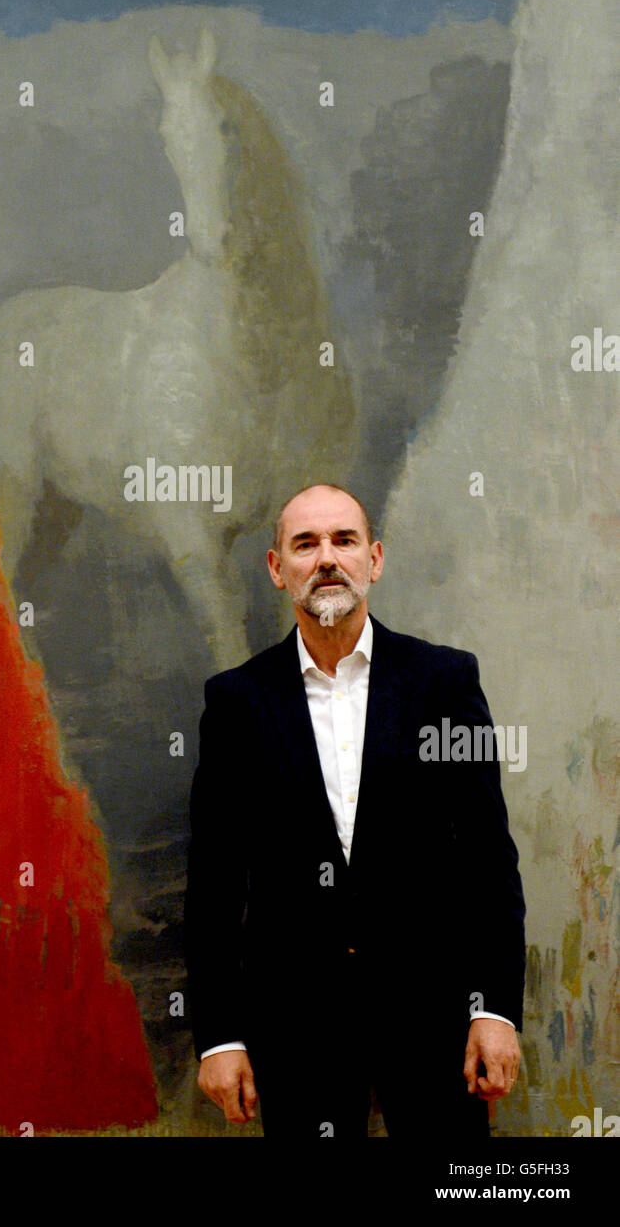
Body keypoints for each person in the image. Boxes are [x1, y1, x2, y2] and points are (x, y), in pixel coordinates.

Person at [183, 483, 526, 1138]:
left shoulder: (446, 682)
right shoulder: (236, 703)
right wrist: (220, 1036)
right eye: (305, 544)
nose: (327, 558)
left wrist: (495, 1010)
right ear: (276, 568)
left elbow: (488, 859)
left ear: (375, 558)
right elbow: (215, 884)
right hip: (294, 1026)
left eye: (343, 540)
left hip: (436, 1021)